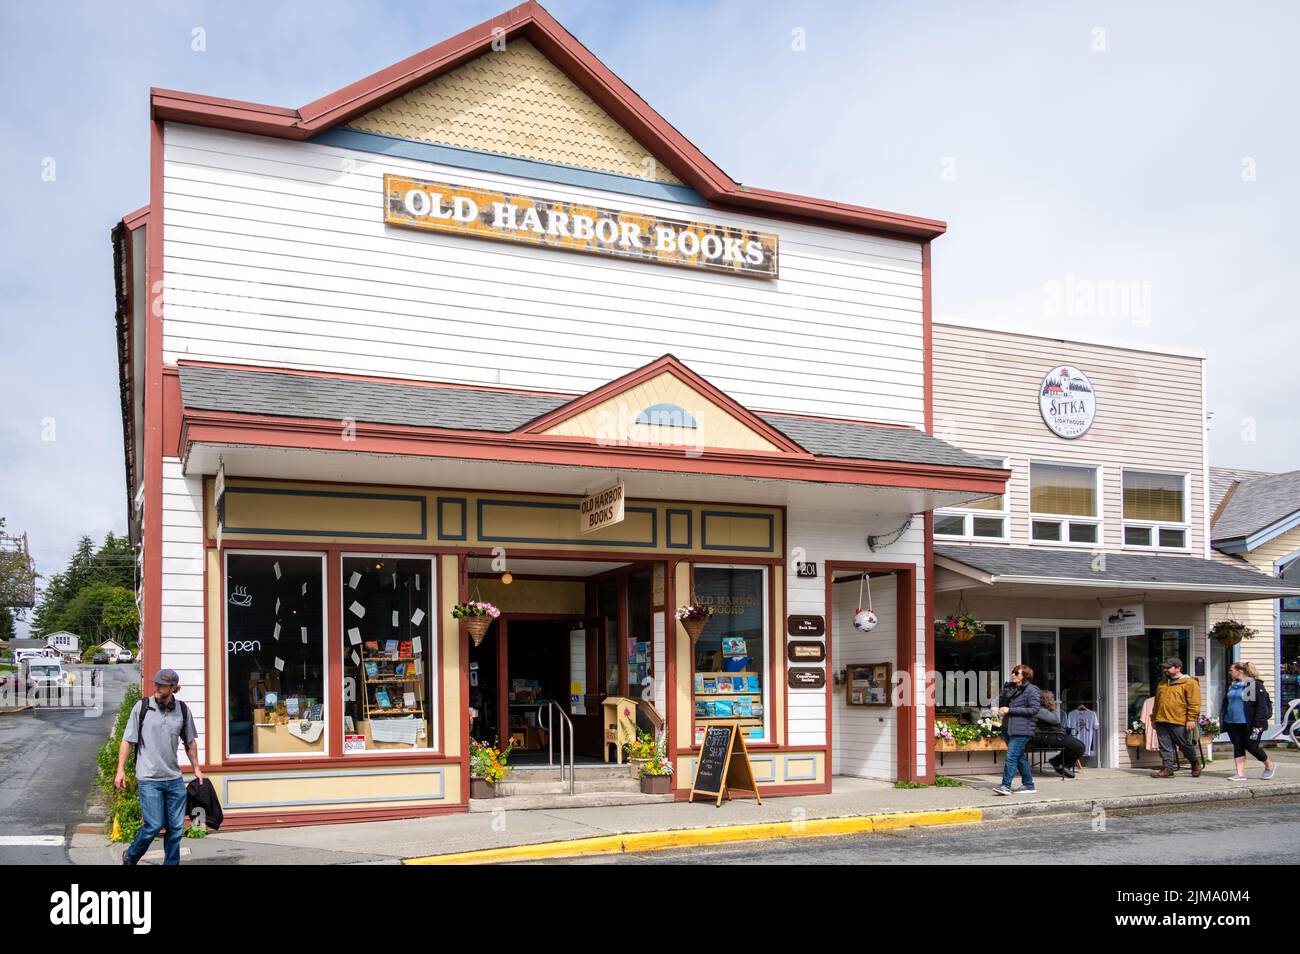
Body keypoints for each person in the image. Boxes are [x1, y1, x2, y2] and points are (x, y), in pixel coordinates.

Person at [116, 669, 202, 865]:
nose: (157, 687)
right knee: (154, 824)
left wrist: (196, 768)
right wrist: (120, 770)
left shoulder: (183, 710)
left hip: (173, 779)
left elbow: (190, 742)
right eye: (156, 683)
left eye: (162, 685)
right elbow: (127, 741)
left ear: (173, 688)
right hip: (149, 778)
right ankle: (131, 855)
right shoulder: (142, 707)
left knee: (175, 828)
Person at [1221, 661, 1276, 781]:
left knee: (1252, 746)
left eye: (1232, 670)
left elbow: (1259, 706)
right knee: (1238, 746)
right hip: (1232, 722)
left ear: (1240, 671)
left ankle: (1269, 765)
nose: (1230, 672)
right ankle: (1240, 774)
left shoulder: (1252, 685)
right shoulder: (1234, 685)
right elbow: (1228, 703)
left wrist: (1258, 724)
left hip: (1250, 723)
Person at [993, 663, 1041, 795]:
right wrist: (999, 708)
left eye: (1016, 673)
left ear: (1025, 676)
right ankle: (1029, 785)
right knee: (1019, 757)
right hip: (1007, 727)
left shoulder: (1032, 690)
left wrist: (1010, 710)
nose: (1013, 675)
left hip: (1022, 729)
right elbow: (1003, 704)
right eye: (1013, 673)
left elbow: (1034, 709)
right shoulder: (1010, 688)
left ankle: (1005, 786)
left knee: (1011, 756)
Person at [1150, 657, 1202, 778]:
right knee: (1164, 745)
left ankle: (1194, 762)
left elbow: (1194, 702)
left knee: (1184, 744)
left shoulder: (1189, 682)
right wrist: (1153, 718)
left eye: (1168, 668)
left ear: (1178, 668)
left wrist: (1191, 718)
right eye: (1164, 668)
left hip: (1179, 719)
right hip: (1161, 719)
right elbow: (1157, 702)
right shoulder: (1162, 684)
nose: (1165, 670)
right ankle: (1168, 768)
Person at [1034, 690, 1087, 778]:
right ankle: (1060, 764)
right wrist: (1053, 708)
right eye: (1051, 698)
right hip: (1044, 736)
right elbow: (1055, 720)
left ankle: (1059, 763)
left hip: (1052, 735)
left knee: (1080, 746)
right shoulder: (1039, 710)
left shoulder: (1044, 709)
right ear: (1046, 699)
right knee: (1079, 746)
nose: (1053, 700)